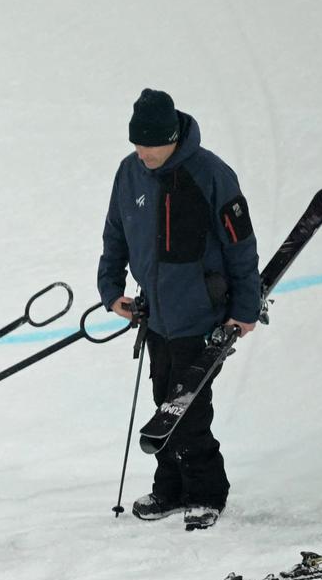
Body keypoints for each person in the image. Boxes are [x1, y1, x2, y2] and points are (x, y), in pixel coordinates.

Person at [98, 88, 261, 531]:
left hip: (203, 316)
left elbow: (241, 247)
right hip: (156, 317)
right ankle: (171, 488)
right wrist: (110, 290)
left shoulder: (211, 174)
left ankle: (208, 493)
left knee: (187, 409)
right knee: (163, 403)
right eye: (136, 142)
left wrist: (245, 309)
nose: (142, 152)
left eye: (150, 143)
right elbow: (115, 233)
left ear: (172, 137)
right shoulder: (129, 173)